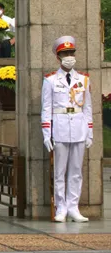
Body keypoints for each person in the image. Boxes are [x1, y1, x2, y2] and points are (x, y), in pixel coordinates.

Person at [42, 35, 93, 223]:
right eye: (65, 53)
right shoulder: (50, 80)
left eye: (71, 52)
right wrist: (47, 133)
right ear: (58, 56)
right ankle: (61, 207)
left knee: (76, 171)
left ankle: (73, 207)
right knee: (60, 171)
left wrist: (90, 131)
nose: (69, 56)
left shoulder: (83, 79)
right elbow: (46, 108)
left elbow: (87, 107)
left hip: (79, 128)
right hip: (60, 129)